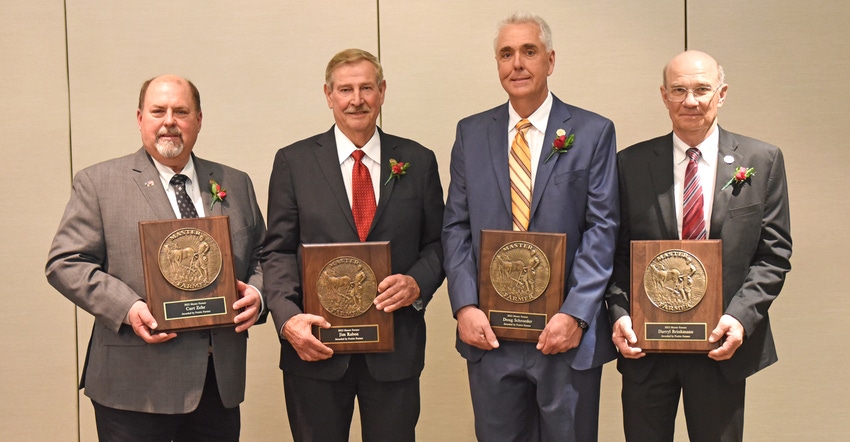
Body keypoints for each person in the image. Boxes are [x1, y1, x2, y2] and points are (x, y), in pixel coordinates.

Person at [45, 75, 266, 441]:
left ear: (198, 119)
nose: (169, 121)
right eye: (158, 111)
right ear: (139, 118)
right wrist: (128, 308)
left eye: (181, 111)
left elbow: (262, 254)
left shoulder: (235, 182)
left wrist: (257, 296)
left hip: (217, 385)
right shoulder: (99, 183)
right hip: (133, 388)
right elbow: (66, 262)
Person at [442, 13, 619, 441]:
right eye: (506, 54)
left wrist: (576, 314)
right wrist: (464, 306)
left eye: (528, 51)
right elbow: (456, 228)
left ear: (550, 60)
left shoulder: (593, 132)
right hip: (491, 337)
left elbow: (603, 228)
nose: (516, 64)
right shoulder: (471, 133)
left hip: (565, 337)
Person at [605, 50, 792, 441]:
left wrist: (741, 318)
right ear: (663, 95)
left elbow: (773, 255)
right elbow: (614, 253)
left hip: (720, 346)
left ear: (721, 94)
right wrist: (619, 313)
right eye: (679, 90)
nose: (690, 100)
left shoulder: (763, 160)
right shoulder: (629, 164)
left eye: (702, 89)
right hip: (646, 348)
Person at [262, 48, 444, 442]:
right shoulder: (293, 162)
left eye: (366, 88)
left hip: (396, 348)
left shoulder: (418, 160)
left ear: (382, 91)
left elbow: (440, 243)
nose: (356, 99)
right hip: (316, 349)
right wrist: (288, 318)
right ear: (328, 95)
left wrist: (417, 283)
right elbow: (276, 250)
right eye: (345, 89)